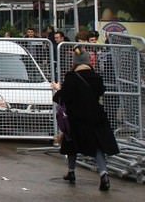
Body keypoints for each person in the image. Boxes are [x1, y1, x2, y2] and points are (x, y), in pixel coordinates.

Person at [51, 46, 120, 190]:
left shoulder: (71, 77)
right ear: (88, 61)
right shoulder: (97, 77)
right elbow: (100, 92)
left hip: (76, 117)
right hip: (96, 116)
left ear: (75, 62)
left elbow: (64, 97)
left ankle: (71, 172)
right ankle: (104, 174)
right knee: (97, 147)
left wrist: (58, 89)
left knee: (71, 144)